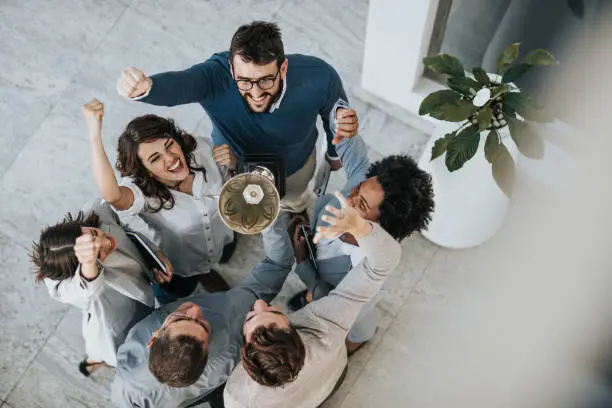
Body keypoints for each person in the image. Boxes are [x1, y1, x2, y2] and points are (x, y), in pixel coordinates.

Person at [116, 21, 360, 214]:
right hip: (232, 167)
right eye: (243, 81)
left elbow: (336, 117)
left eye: (265, 80)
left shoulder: (319, 76)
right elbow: (182, 84)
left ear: (283, 68)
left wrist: (333, 153)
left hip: (293, 166)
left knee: (293, 200)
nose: (255, 93)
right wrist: (148, 88)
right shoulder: (215, 75)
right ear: (232, 68)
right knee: (242, 206)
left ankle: (291, 211)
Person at [223, 193, 402, 407]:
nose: (259, 303)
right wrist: (360, 228)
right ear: (294, 331)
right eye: (273, 311)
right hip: (330, 379)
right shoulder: (328, 324)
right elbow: (384, 261)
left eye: (251, 317)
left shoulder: (236, 397)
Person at [110, 214, 296, 408]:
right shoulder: (230, 338)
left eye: (181, 319)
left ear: (153, 338)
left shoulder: (126, 371)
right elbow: (277, 265)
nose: (194, 309)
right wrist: (269, 214)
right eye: (202, 324)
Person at [287, 135, 435, 354]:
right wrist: (342, 123)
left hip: (349, 301)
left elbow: (334, 302)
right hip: (320, 274)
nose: (348, 200)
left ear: (383, 226)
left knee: (359, 323)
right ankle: (310, 294)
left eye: (362, 204)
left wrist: (303, 264)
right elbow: (353, 148)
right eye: (357, 190)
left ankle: (357, 341)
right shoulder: (358, 189)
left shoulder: (365, 267)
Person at [81, 98, 235, 297]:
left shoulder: (202, 149)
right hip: (182, 268)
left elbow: (232, 180)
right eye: (155, 158)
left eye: (170, 145)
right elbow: (112, 195)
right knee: (179, 292)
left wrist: (233, 164)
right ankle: (203, 278)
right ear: (146, 172)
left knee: (227, 253)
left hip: (225, 236)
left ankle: (216, 266)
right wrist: (94, 136)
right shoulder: (145, 195)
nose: (170, 158)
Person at [29, 199, 173, 376]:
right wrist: (89, 262)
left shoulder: (98, 211)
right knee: (113, 355)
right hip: (118, 320)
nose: (106, 243)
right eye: (96, 253)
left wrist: (155, 254)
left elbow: (128, 233)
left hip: (142, 287)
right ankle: (92, 363)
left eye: (93, 234)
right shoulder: (67, 287)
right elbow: (86, 286)